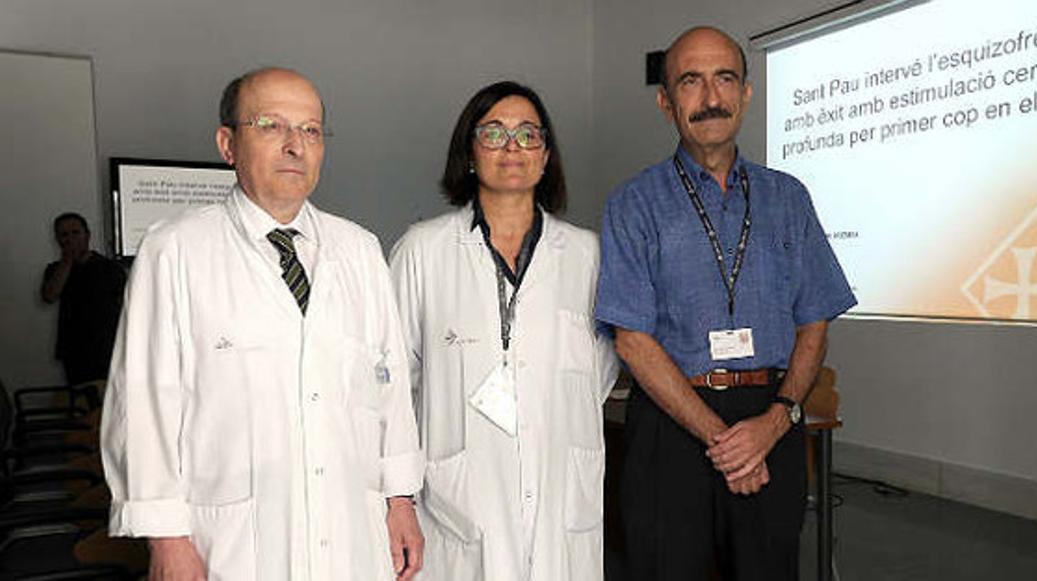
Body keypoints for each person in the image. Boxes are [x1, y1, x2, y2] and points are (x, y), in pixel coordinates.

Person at [100, 67, 425, 580]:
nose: (295, 145)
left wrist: (401, 499)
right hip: (230, 545)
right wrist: (166, 538)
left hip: (352, 535)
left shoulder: (360, 250)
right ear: (228, 144)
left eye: (311, 130)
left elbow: (391, 393)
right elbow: (142, 404)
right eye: (272, 126)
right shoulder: (175, 251)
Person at [595, 27, 857, 580]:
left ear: (746, 94)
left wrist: (774, 422)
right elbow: (632, 341)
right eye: (691, 81)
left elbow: (814, 321)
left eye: (725, 79)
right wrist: (724, 442)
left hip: (773, 418)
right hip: (671, 427)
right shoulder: (633, 205)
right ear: (666, 102)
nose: (710, 97)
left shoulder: (789, 197)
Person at [389, 81, 618, 580]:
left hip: (561, 488)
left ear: (545, 155)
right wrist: (398, 494)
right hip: (458, 496)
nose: (512, 147)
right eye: (493, 133)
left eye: (527, 134)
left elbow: (598, 373)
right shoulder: (422, 251)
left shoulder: (588, 255)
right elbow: (392, 384)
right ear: (469, 153)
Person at [41, 212, 127, 385]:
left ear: (87, 235)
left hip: (108, 347)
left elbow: (126, 306)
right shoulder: (55, 269)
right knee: (80, 402)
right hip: (74, 350)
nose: (70, 239)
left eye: (75, 233)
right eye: (64, 235)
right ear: (58, 240)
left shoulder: (109, 268)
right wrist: (67, 261)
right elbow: (50, 295)